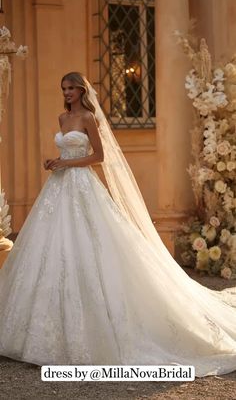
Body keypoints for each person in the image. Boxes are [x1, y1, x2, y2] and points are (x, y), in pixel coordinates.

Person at [0, 72, 235, 377]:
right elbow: (66, 151)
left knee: (93, 244)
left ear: (82, 90)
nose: (67, 93)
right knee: (53, 250)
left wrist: (67, 163)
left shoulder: (88, 117)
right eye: (64, 89)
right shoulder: (62, 117)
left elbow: (98, 156)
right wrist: (54, 161)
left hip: (82, 186)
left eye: (72, 88)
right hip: (58, 189)